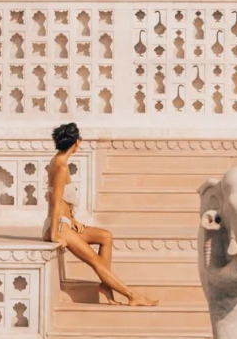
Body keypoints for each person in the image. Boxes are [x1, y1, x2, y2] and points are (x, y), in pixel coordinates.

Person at [46, 123, 156, 306]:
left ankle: (106, 286)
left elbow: (62, 200)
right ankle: (131, 295)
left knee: (105, 237)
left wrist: (73, 220)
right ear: (76, 143)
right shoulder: (60, 167)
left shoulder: (59, 162)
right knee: (95, 261)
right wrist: (54, 234)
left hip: (65, 222)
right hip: (58, 225)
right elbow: (55, 201)